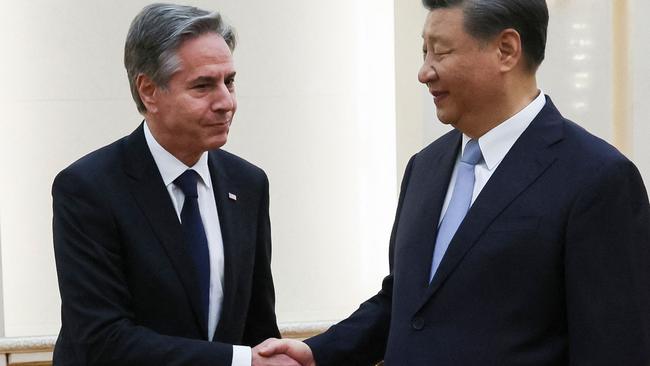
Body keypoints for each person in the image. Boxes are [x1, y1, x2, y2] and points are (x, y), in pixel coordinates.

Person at [259, 0, 650, 365]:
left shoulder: (597, 178)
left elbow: (614, 346)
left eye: (440, 52)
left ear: (506, 50)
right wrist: (317, 352)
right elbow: (407, 303)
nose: (424, 71)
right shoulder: (424, 167)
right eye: (423, 51)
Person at [52, 4, 299, 366]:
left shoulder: (248, 184)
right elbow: (103, 339)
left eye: (229, 81)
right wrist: (239, 362)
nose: (226, 102)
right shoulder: (88, 189)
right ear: (149, 91)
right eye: (203, 86)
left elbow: (257, 324)